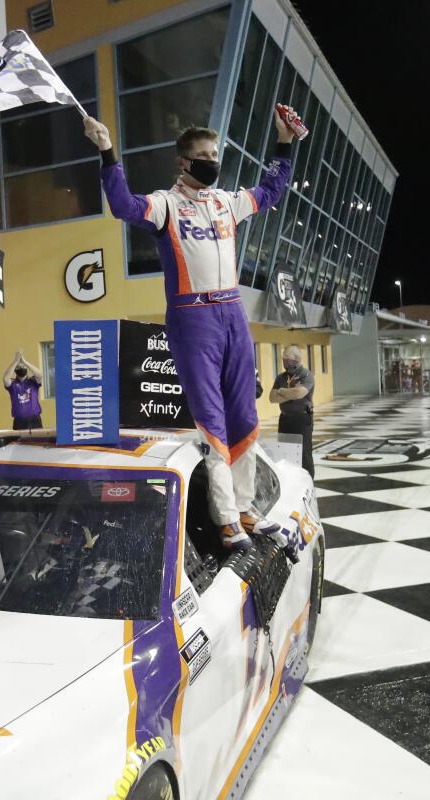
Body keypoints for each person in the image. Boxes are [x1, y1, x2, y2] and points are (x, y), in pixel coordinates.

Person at [83, 107, 296, 551]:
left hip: (233, 310)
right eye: (203, 154)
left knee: (245, 415)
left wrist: (284, 142)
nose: (211, 160)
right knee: (213, 420)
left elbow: (272, 190)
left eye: (215, 153)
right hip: (192, 316)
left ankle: (244, 508)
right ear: (184, 162)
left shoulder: (226, 202)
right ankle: (225, 520)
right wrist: (106, 151)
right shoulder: (165, 204)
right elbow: (123, 205)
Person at [269, 345, 316, 478]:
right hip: (285, 419)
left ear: (296, 360)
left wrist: (281, 391)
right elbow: (272, 398)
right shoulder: (281, 377)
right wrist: (288, 392)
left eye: (287, 360)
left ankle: (308, 482)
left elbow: (299, 394)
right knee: (284, 452)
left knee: (304, 454)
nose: (285, 363)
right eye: (283, 360)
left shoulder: (306, 375)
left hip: (302, 419)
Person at [3, 350, 43, 430]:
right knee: (20, 443)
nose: (21, 368)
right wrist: (16, 361)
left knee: (38, 442)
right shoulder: (13, 384)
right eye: (18, 367)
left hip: (35, 421)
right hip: (19, 422)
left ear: (27, 369)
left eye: (23, 367)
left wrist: (24, 362)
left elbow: (39, 374)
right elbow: (5, 379)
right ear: (15, 370)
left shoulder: (33, 381)